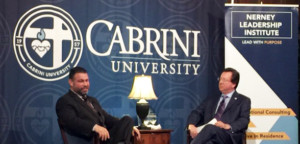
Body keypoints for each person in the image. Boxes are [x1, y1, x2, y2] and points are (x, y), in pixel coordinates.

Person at [56, 66, 140, 144]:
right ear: (71, 82)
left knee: (127, 120)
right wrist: (94, 127)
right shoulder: (65, 101)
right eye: (81, 81)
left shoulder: (92, 100)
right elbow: (71, 122)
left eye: (87, 80)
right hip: (90, 139)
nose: (85, 84)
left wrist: (128, 127)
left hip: (105, 138)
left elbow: (107, 118)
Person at [187, 68, 251, 144]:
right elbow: (196, 112)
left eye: (224, 80)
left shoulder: (243, 100)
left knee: (210, 128)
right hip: (209, 136)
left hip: (228, 136)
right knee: (208, 140)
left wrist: (227, 126)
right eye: (220, 79)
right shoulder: (211, 99)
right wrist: (191, 125)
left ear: (233, 84)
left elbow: (244, 120)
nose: (220, 82)